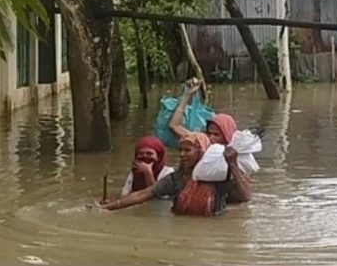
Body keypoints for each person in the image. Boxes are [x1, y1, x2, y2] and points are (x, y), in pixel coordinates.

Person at [100, 133, 235, 216]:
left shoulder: (219, 177)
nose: (182, 155)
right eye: (180, 150)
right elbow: (144, 194)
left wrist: (233, 165)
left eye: (187, 150)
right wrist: (106, 208)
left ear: (201, 152)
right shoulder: (176, 178)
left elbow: (243, 197)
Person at [168, 79, 252, 203]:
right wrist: (186, 95)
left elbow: (245, 197)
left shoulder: (237, 157)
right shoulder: (201, 143)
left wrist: (232, 164)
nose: (211, 138)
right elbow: (174, 126)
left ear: (228, 136)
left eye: (217, 134)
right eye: (209, 133)